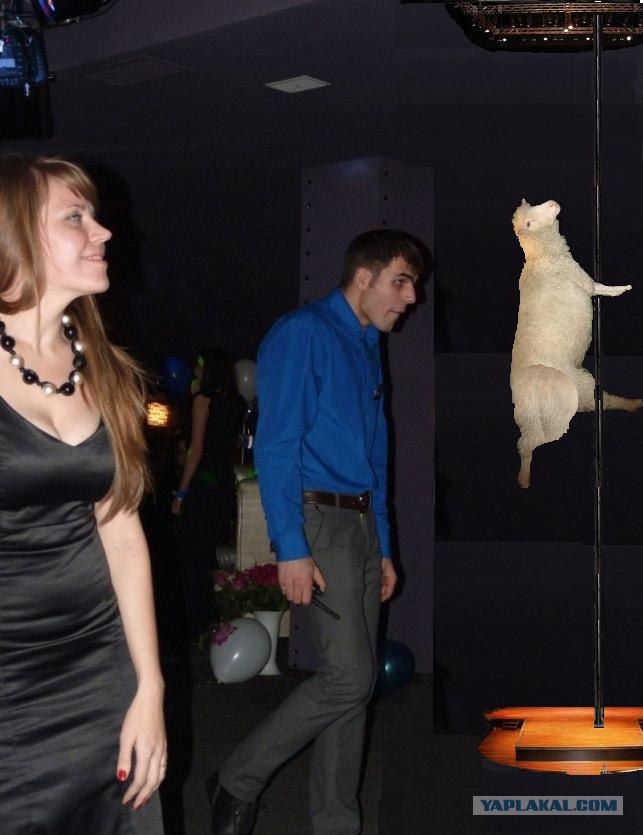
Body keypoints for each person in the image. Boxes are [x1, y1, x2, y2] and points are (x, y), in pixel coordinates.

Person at [208, 229, 424, 835]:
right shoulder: (304, 333)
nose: (411, 298)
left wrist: (385, 545)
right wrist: (292, 546)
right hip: (319, 521)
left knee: (354, 688)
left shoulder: (367, 344)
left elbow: (377, 456)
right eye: (401, 282)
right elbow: (277, 445)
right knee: (350, 676)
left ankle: (335, 823)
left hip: (362, 525)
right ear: (363, 277)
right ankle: (236, 778)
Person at [0, 154, 166, 833]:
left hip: (99, 668)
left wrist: (149, 686)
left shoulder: (108, 370)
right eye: (76, 217)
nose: (103, 232)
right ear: (14, 233)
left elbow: (120, 531)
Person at [171, 349, 246, 638]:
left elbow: (196, 449)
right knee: (213, 552)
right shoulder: (236, 404)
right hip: (223, 478)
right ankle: (215, 620)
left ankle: (197, 623)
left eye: (200, 366)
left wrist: (181, 493)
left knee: (193, 555)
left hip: (203, 480)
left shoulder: (204, 400)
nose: (196, 371)